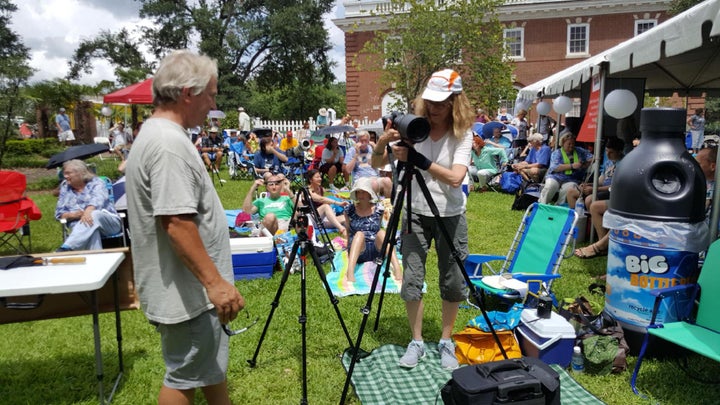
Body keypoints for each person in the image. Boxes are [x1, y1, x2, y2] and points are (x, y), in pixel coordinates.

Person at [124, 50, 244, 405]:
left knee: (206, 367)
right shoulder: (168, 145)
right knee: (182, 378)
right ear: (188, 93)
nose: (213, 103)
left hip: (189, 291)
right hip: (188, 294)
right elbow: (176, 223)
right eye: (211, 93)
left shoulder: (160, 134)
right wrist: (215, 284)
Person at [372, 68, 473, 371]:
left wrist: (421, 161)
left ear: (455, 102)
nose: (434, 108)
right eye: (431, 102)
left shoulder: (462, 133)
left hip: (450, 214)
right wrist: (383, 142)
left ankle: (445, 340)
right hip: (414, 211)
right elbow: (377, 164)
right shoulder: (414, 128)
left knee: (453, 280)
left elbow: (456, 178)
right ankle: (416, 341)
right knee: (412, 279)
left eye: (442, 103)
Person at [55, 159, 122, 251]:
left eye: (68, 173)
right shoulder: (65, 189)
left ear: (80, 173)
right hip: (81, 228)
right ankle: (96, 263)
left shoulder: (97, 182)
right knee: (92, 230)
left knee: (94, 214)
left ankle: (68, 247)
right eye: (64, 173)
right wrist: (73, 215)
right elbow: (59, 213)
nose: (65, 176)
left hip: (108, 223)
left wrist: (88, 211)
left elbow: (98, 199)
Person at [343, 177, 402, 283]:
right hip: (359, 250)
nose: (361, 195)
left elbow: (380, 227)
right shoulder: (349, 210)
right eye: (358, 192)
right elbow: (348, 230)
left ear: (370, 194)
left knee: (382, 233)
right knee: (359, 234)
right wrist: (348, 247)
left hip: (377, 251)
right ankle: (350, 271)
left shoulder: (379, 209)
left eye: (364, 192)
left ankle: (397, 268)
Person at [567, 137, 624, 210]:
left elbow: (614, 187)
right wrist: (587, 184)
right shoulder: (608, 163)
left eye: (611, 152)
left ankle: (591, 220)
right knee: (571, 192)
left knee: (589, 200)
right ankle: (577, 218)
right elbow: (600, 181)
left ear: (619, 152)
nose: (608, 155)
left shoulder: (624, 164)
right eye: (606, 151)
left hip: (612, 193)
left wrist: (594, 189)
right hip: (600, 189)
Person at [539, 130, 593, 206]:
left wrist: (584, 164)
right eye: (569, 144)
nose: (571, 145)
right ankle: (541, 205)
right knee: (550, 186)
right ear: (563, 143)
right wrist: (572, 166)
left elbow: (592, 158)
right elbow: (555, 167)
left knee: (568, 189)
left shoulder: (579, 151)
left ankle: (558, 207)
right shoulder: (557, 153)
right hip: (556, 177)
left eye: (573, 143)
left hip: (572, 179)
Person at [343, 130, 392, 198]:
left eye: (366, 141)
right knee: (373, 183)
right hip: (360, 179)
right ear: (357, 141)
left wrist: (376, 149)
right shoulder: (352, 150)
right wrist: (356, 155)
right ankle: (374, 204)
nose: (363, 143)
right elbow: (348, 170)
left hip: (375, 177)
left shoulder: (372, 149)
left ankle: (388, 206)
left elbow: (382, 166)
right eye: (361, 141)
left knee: (387, 181)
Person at [305, 169, 347, 236]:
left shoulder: (321, 189)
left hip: (320, 218)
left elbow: (327, 194)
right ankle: (341, 229)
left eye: (320, 177)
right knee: (325, 206)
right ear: (311, 180)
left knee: (345, 218)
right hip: (311, 219)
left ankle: (351, 233)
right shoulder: (307, 191)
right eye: (317, 177)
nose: (320, 179)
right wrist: (338, 203)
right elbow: (321, 199)